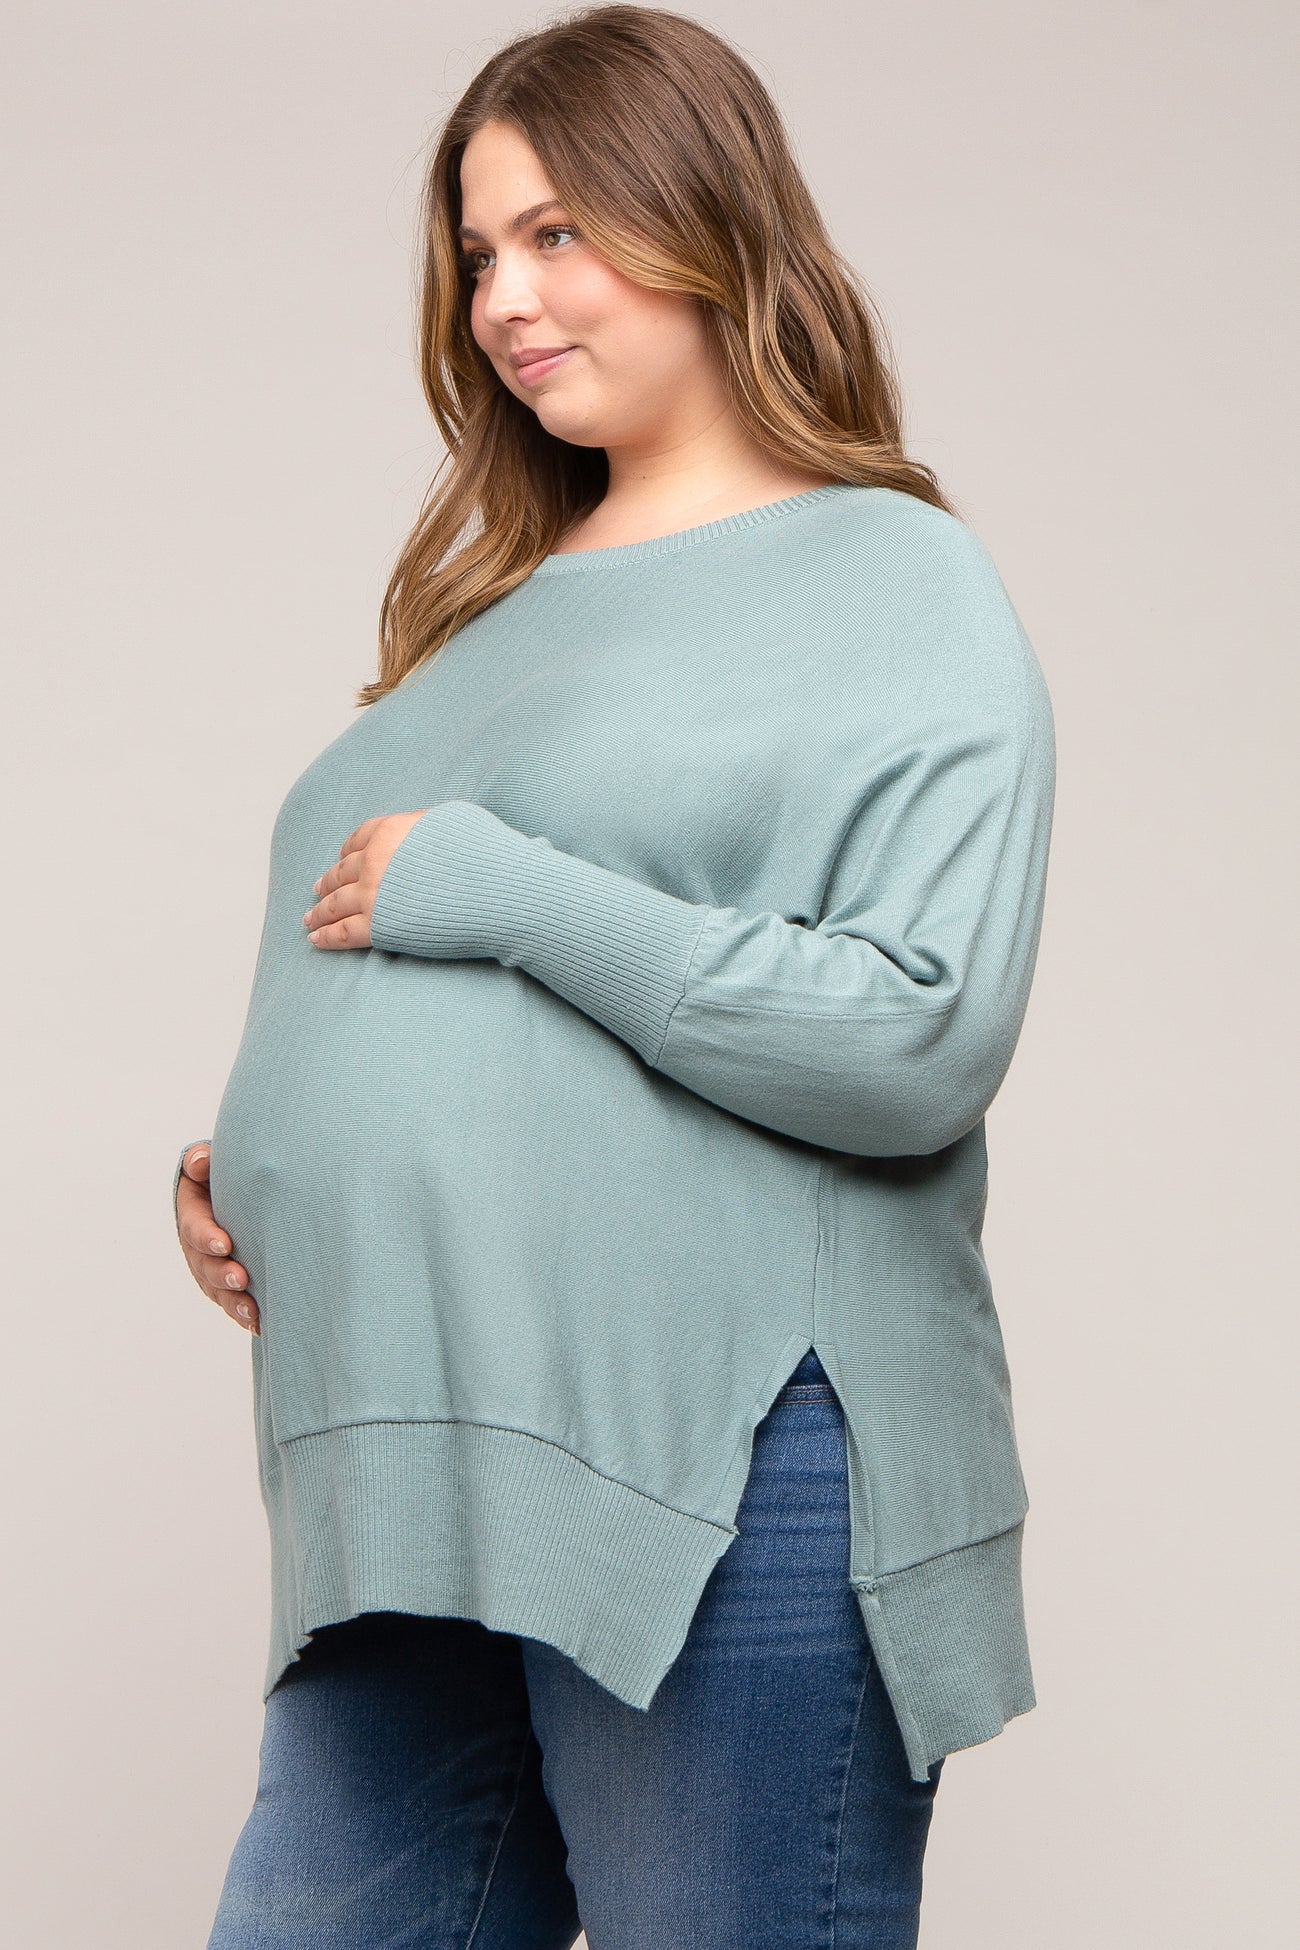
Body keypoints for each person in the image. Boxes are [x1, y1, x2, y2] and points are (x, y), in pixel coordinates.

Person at [172, 6, 1056, 1945]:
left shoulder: (888, 578)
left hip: (721, 1449)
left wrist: (506, 893)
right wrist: (265, 1165)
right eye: (478, 250)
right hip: (410, 1470)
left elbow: (915, 1034)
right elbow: (401, 992)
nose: (502, 296)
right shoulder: (483, 620)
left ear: (706, 217)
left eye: (557, 232)